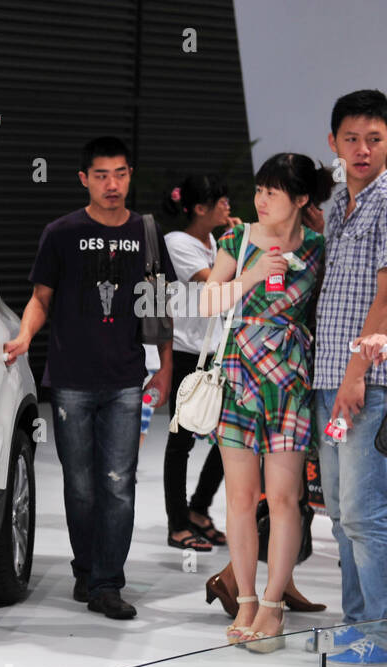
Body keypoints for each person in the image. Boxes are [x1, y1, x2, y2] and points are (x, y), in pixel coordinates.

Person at [5, 136, 175, 620]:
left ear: (130, 176)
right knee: (80, 485)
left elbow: (160, 304)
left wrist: (164, 367)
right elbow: (41, 298)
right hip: (71, 380)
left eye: (120, 173)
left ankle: (107, 583)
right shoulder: (61, 233)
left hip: (126, 380)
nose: (112, 184)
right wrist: (22, 338)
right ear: (84, 179)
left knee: (119, 483)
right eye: (101, 175)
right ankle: (86, 569)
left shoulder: (146, 232)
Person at [199, 153, 331, 651]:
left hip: (291, 379)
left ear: (300, 199)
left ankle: (274, 605)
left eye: (273, 191)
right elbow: (208, 301)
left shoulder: (318, 246)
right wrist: (249, 276)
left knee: (283, 499)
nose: (261, 199)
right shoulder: (236, 239)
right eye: (258, 189)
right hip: (239, 372)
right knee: (238, 496)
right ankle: (247, 598)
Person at [312, 89, 387, 667]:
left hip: (369, 379)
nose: (362, 149)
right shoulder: (340, 202)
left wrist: (357, 372)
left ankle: (382, 635)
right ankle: (357, 623)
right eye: (351, 139)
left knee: (366, 512)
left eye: (375, 138)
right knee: (339, 512)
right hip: (328, 380)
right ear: (334, 144)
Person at [161, 174, 233, 551]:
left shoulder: (215, 241)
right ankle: (177, 524)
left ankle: (199, 510)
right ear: (200, 208)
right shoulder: (178, 243)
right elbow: (216, 283)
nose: (228, 205)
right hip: (189, 352)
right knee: (181, 442)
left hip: (218, 352)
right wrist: (239, 248)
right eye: (220, 200)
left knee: (229, 439)